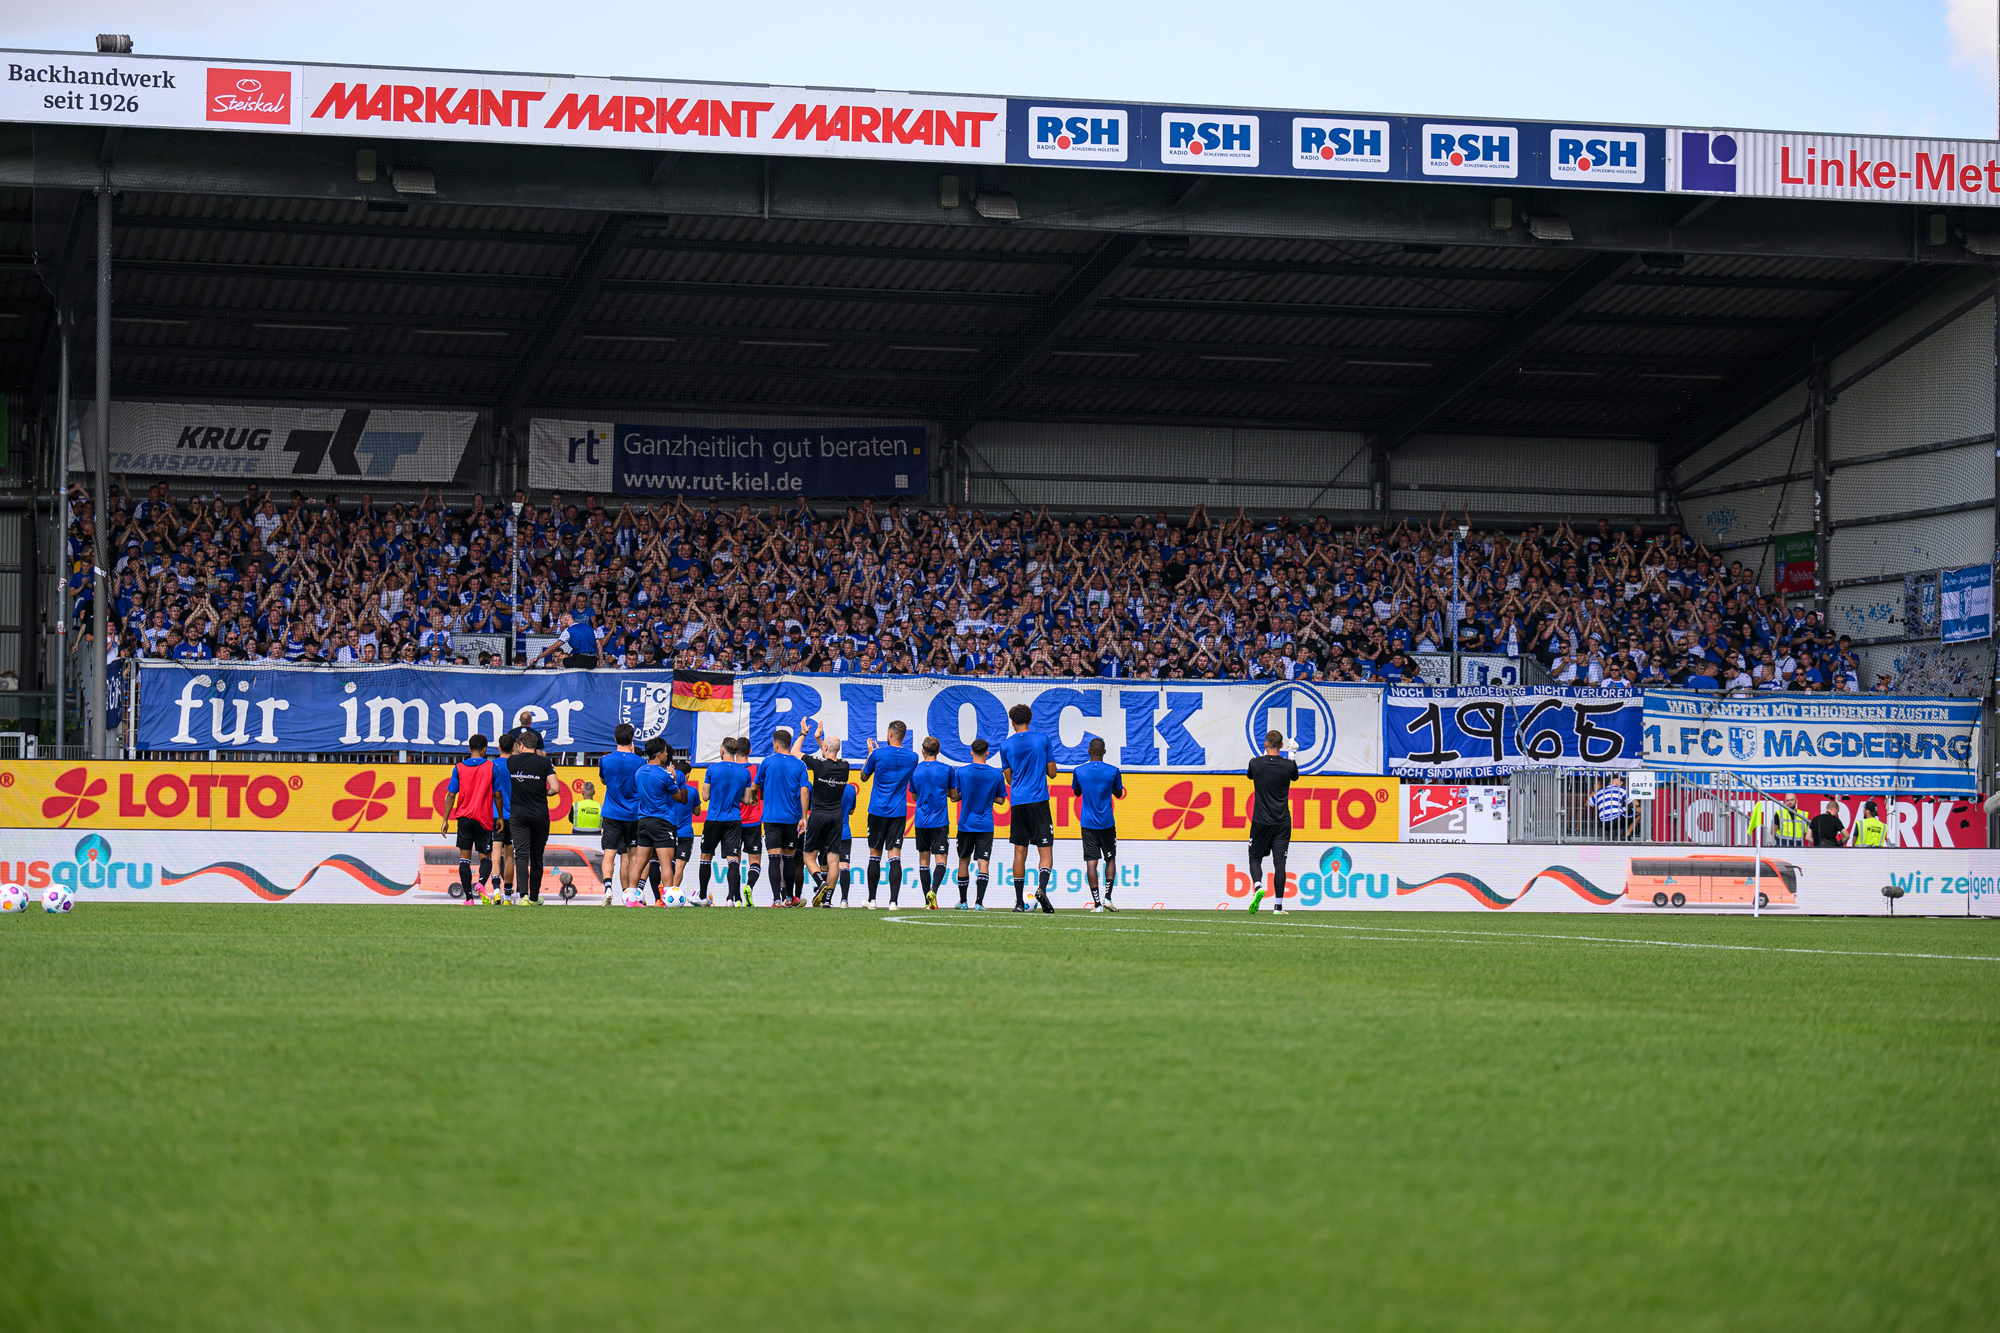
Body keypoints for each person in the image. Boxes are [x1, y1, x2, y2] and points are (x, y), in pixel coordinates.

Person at [1000, 703, 1059, 913]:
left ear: (1013, 722)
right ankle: (1041, 888)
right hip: (1038, 800)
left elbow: (1008, 779)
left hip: (1018, 802)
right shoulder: (1042, 739)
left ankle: (1018, 903)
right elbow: (1052, 773)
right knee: (1045, 850)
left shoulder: (1005, 746)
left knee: (1019, 851)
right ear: (1030, 720)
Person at [441, 732, 508, 905]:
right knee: (485, 857)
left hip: (463, 818)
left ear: (469, 749)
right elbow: (498, 795)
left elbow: (450, 795)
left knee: (464, 858)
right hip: (483, 818)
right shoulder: (492, 767)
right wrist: (500, 817)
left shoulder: (458, 768)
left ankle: (469, 899)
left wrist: (445, 819)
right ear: (485, 749)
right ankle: (480, 883)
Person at [861, 721, 920, 908]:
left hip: (877, 810)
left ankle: (872, 900)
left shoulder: (878, 754)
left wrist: (871, 754)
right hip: (898, 812)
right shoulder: (913, 757)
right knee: (895, 856)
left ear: (890, 735)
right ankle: (893, 901)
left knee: (874, 855)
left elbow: (863, 776)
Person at [629, 737, 688, 904]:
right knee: (666, 863)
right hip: (661, 821)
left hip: (643, 821)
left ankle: (631, 898)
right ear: (660, 754)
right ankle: (668, 899)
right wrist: (674, 778)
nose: (667, 754)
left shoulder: (639, 772)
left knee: (640, 862)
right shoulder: (665, 775)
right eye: (666, 752)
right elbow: (678, 797)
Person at [756, 728, 811, 907]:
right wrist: (804, 817)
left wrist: (750, 797)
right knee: (789, 859)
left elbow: (757, 785)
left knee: (773, 858)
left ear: (776, 744)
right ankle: (788, 897)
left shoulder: (767, 762)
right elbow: (804, 791)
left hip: (771, 818)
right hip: (791, 819)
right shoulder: (800, 765)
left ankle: (777, 899)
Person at [1246, 729, 1299, 913]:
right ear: (1282, 745)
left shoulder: (1255, 763)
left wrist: (1265, 756)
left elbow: (1251, 774)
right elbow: (1294, 775)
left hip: (1261, 821)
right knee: (1280, 863)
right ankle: (1278, 906)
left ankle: (1259, 887)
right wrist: (1292, 755)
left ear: (1265, 744)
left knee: (1254, 857)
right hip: (1282, 821)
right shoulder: (1288, 766)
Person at [505, 729, 561, 904]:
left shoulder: (512, 761)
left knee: (521, 855)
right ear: (536, 746)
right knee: (537, 856)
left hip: (518, 815)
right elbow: (555, 788)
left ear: (520, 746)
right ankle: (535, 897)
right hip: (540, 815)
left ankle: (523, 896)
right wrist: (542, 792)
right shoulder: (544, 763)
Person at [950, 738, 1007, 910]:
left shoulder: (961, 772)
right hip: (985, 825)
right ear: (988, 753)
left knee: (963, 862)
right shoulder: (996, 774)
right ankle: (979, 903)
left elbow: (955, 796)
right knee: (983, 863)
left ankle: (963, 901)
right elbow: (1002, 800)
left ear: (971, 752)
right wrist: (989, 797)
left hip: (966, 824)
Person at [1070, 737, 1125, 912]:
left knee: (1091, 862)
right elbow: (1118, 793)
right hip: (1107, 822)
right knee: (1110, 858)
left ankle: (1097, 904)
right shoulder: (1113, 771)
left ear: (1088, 752)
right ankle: (1108, 897)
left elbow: (1077, 792)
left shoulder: (1079, 771)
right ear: (1104, 752)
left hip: (1087, 824)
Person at [700, 737, 752, 905]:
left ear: (722, 751)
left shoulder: (712, 769)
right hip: (734, 819)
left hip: (714, 818)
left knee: (706, 856)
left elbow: (705, 796)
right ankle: (731, 898)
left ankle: (702, 896)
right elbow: (746, 799)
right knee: (733, 858)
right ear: (736, 752)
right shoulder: (745, 772)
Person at [597, 723, 645, 907]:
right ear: (632, 739)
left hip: (611, 814)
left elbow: (603, 780)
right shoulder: (640, 762)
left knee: (609, 854)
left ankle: (608, 888)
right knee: (631, 856)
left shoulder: (605, 760)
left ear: (615, 739)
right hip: (633, 814)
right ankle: (629, 894)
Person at [803, 736, 853, 908]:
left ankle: (820, 883)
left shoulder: (819, 766)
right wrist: (820, 741)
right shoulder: (845, 766)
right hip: (836, 816)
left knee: (809, 856)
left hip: (818, 815)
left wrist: (804, 734)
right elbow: (829, 755)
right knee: (834, 860)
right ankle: (828, 900)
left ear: (824, 747)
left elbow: (795, 752)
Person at [908, 736, 954, 910]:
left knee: (923, 860)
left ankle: (927, 902)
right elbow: (954, 793)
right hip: (940, 821)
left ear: (922, 751)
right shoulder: (946, 769)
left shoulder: (916, 770)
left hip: (921, 821)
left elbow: (913, 796)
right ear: (939, 751)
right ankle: (933, 891)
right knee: (941, 860)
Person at [737, 738, 766, 906]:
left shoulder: (731, 770)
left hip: (734, 822)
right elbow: (761, 793)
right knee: (755, 861)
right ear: (750, 751)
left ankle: (735, 897)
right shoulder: (757, 769)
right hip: (754, 822)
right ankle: (749, 887)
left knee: (734, 861)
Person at [666, 754, 699, 900]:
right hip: (685, 832)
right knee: (679, 865)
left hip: (669, 831)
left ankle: (666, 894)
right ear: (686, 776)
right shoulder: (691, 791)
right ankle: (673, 893)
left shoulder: (668, 790)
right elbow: (697, 812)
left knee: (668, 864)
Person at [491, 730, 518, 902]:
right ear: (514, 747)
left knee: (495, 853)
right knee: (509, 855)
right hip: (514, 815)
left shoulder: (492, 766)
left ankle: (495, 890)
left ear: (499, 747)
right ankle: (508, 893)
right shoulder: (518, 765)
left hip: (496, 815)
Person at [1591, 775, 1634, 841]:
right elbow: (1636, 803)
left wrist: (1595, 790)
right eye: (1620, 780)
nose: (1622, 783)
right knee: (1639, 810)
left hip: (1603, 823)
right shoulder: (1621, 789)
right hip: (1617, 820)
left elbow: (1588, 803)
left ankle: (1610, 835)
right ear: (1614, 780)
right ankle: (1627, 835)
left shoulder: (1599, 791)